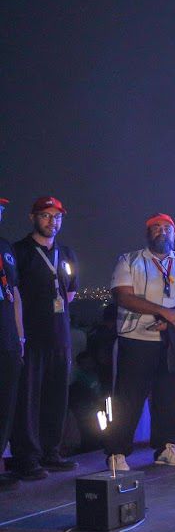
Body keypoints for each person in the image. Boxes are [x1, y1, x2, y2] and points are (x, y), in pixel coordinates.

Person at [106, 213, 175, 470]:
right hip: (137, 338)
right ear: (148, 233)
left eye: (167, 228)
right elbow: (123, 296)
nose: (162, 231)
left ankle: (165, 447)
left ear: (174, 233)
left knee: (170, 395)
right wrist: (163, 312)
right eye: (156, 228)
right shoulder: (129, 260)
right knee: (129, 397)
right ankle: (117, 452)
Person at [11, 196, 78, 479]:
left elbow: (70, 293)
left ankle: (52, 452)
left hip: (60, 337)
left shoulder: (66, 253)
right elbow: (13, 295)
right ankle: (27, 458)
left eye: (57, 217)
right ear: (33, 218)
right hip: (31, 337)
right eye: (46, 216)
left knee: (56, 397)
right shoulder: (20, 252)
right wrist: (19, 336)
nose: (52, 221)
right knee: (28, 399)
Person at [0, 196, 25, 491]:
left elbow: (14, 294)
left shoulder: (5, 247)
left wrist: (20, 336)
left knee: (5, 403)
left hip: (7, 337)